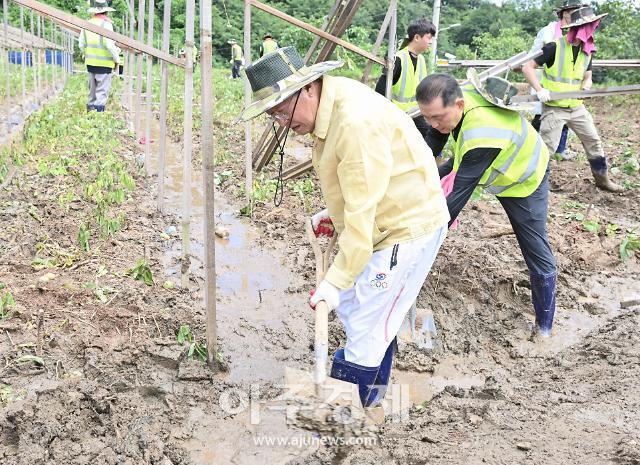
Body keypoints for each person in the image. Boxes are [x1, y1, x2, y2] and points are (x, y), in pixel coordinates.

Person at [239, 47, 449, 408]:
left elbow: (362, 220)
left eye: (282, 109)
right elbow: (361, 185)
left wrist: (332, 283)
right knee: (358, 311)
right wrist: (331, 213)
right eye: (272, 114)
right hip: (383, 218)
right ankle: (373, 397)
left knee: (367, 327)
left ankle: (345, 423)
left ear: (307, 89)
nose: (281, 121)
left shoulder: (353, 121)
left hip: (404, 229)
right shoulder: (331, 108)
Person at [417, 72, 558, 339]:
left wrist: (420, 239)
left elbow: (457, 198)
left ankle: (544, 327)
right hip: (484, 159)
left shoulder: (482, 133)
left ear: (458, 105)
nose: (432, 123)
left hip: (523, 178)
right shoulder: (455, 106)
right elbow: (431, 149)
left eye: (437, 117)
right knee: (435, 177)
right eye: (426, 116)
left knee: (535, 249)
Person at [522, 6, 622, 192]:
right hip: (555, 108)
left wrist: (587, 86)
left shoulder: (588, 50)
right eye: (588, 26)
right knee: (547, 148)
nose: (592, 29)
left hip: (577, 108)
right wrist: (539, 89)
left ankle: (603, 180)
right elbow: (527, 67)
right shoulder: (554, 46)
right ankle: (533, 183)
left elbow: (588, 76)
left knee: (593, 140)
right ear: (577, 28)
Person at [529, 0, 587, 160]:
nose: (573, 16)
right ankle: (530, 148)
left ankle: (560, 150)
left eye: (576, 12)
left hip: (567, 87)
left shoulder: (580, 33)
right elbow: (533, 56)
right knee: (541, 117)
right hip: (545, 81)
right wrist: (539, 87)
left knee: (565, 117)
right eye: (570, 12)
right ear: (563, 13)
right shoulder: (548, 32)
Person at [375, 19, 436, 146]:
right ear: (417, 37)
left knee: (428, 134)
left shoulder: (421, 60)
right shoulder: (398, 59)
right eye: (429, 38)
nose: (431, 42)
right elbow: (380, 90)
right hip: (396, 114)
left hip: (415, 113)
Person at [78, 0, 120, 112]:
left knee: (92, 92)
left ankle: (89, 117)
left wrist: (86, 54)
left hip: (90, 64)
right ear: (106, 12)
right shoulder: (107, 24)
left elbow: (81, 44)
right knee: (101, 93)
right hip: (104, 65)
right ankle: (97, 120)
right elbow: (110, 45)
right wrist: (117, 59)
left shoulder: (86, 24)